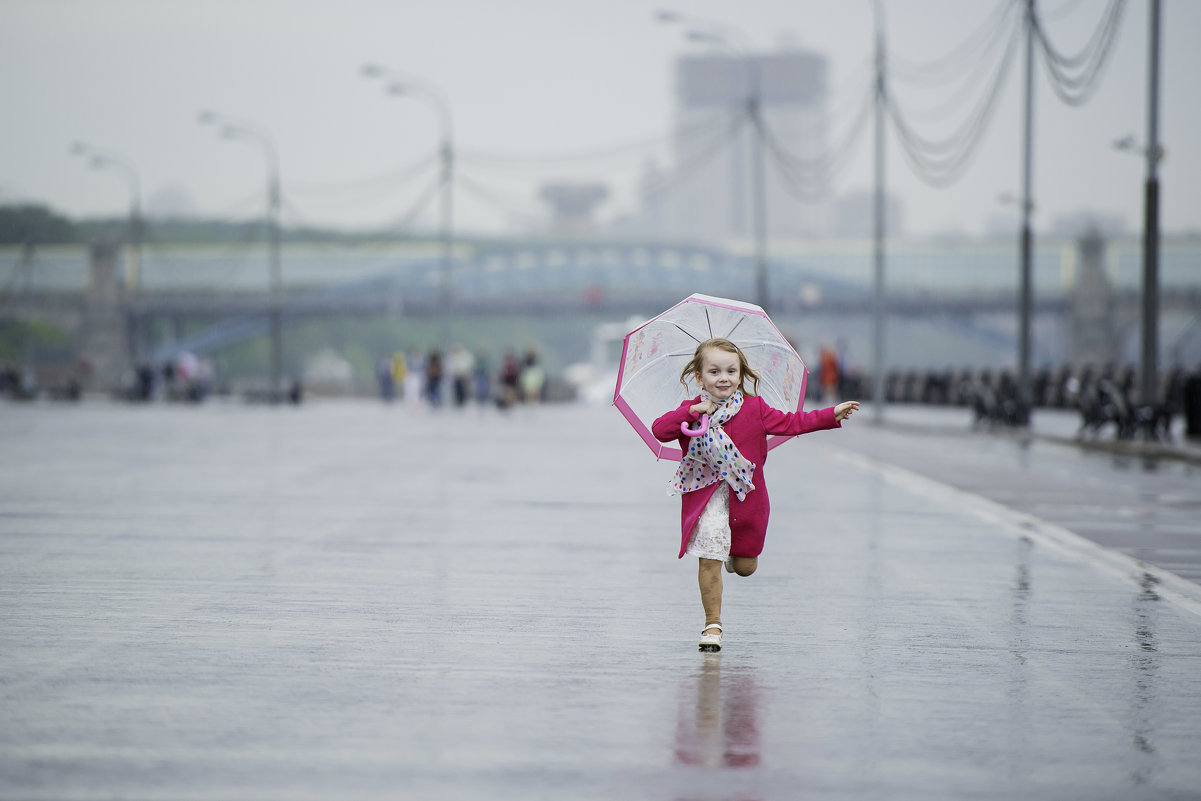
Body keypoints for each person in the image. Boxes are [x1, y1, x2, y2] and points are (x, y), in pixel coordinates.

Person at [651, 337, 859, 652]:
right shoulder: (691, 410)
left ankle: (737, 558)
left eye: (731, 371)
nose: (723, 378)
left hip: (747, 501)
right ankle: (712, 625)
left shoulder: (754, 408)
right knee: (709, 559)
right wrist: (691, 412)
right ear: (700, 377)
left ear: (741, 374)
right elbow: (660, 430)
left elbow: (793, 422)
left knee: (745, 567)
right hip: (707, 500)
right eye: (714, 371)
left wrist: (831, 414)